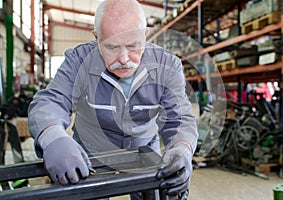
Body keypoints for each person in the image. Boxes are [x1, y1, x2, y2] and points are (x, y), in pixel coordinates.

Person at [28, 0, 198, 199]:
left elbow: (179, 118)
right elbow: (50, 102)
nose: (124, 58)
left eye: (133, 45)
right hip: (90, 153)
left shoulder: (167, 65)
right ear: (96, 37)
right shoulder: (79, 60)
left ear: (145, 35)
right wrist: (52, 136)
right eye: (112, 47)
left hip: (143, 152)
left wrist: (182, 148)